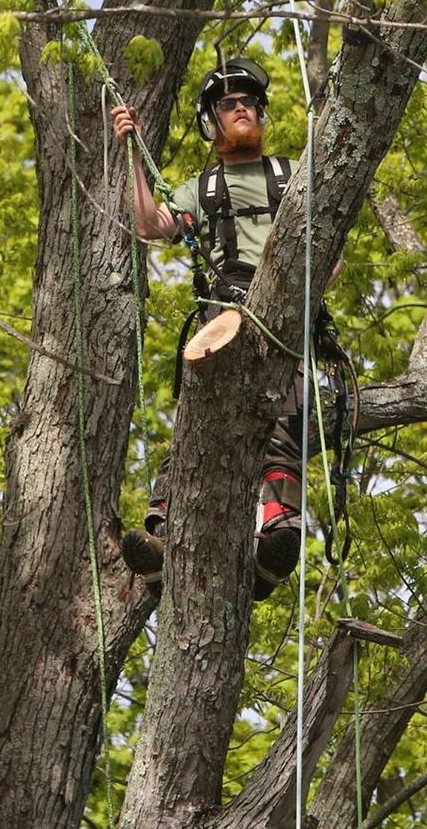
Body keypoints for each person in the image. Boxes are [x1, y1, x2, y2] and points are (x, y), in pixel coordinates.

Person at [110, 57, 310, 602]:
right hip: (220, 323)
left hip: (284, 323)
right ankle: (163, 537)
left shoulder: (295, 176)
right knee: (193, 435)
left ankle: (277, 532)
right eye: (228, 103)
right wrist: (132, 152)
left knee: (281, 425)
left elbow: (329, 256)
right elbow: (153, 225)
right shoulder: (202, 189)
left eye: (248, 100)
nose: (241, 107)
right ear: (212, 123)